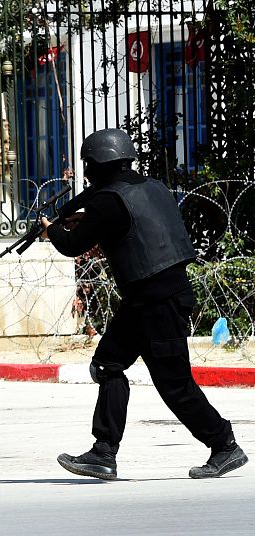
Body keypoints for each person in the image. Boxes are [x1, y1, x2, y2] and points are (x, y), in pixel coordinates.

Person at [41, 128, 247, 480]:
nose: (87, 174)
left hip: (156, 302)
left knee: (174, 384)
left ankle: (224, 445)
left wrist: (52, 230)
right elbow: (131, 228)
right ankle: (103, 453)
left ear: (95, 165)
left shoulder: (107, 201)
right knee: (107, 364)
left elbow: (73, 245)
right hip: (150, 297)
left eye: (88, 166)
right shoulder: (153, 188)